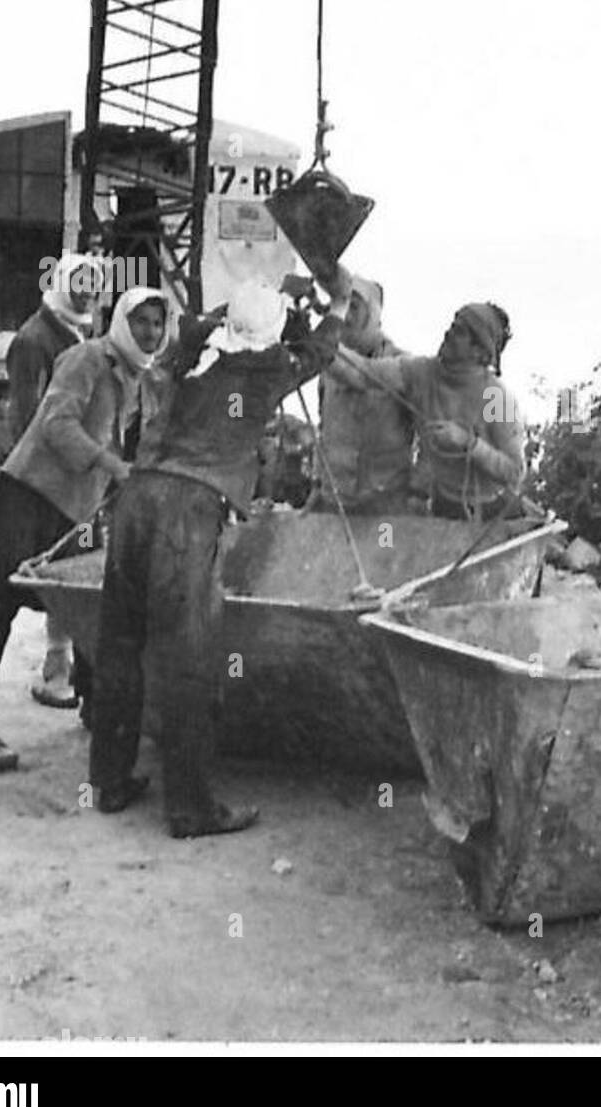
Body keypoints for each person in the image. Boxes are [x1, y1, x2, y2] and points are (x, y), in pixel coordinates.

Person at [88, 272, 350, 838]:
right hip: (186, 510)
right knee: (188, 662)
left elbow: (202, 328)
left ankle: (108, 782)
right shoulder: (262, 372)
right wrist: (336, 296)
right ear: (271, 334)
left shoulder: (189, 356)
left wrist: (266, 303)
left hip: (135, 500)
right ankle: (189, 808)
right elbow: (321, 350)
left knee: (120, 647)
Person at [0, 287, 170, 764]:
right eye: (141, 320)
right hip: (30, 495)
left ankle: (95, 708)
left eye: (157, 323)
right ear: (121, 321)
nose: (150, 331)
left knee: (91, 606)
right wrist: (111, 464)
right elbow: (55, 424)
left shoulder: (138, 376)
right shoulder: (86, 357)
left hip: (77, 507)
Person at [6, 253, 106, 703]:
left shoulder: (79, 332)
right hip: (46, 482)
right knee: (31, 581)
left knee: (71, 577)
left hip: (77, 480)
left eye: (93, 283)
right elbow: (27, 416)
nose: (86, 290)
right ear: (62, 281)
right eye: (79, 281)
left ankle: (62, 667)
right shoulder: (34, 338)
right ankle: (52, 669)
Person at [328, 300, 526, 520]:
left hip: (493, 516)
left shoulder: (495, 398)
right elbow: (361, 374)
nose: (448, 333)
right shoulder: (421, 373)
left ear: (479, 351)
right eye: (452, 325)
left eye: (460, 331)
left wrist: (467, 442)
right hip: (445, 509)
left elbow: (515, 472)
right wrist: (320, 343)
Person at [314, 274, 415, 514]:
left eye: (355, 307)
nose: (346, 316)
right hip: (334, 503)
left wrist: (418, 496)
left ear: (374, 314)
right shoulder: (327, 371)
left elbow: (430, 439)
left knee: (385, 551)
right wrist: (316, 488)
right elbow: (324, 430)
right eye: (342, 305)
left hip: (385, 506)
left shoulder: (403, 365)